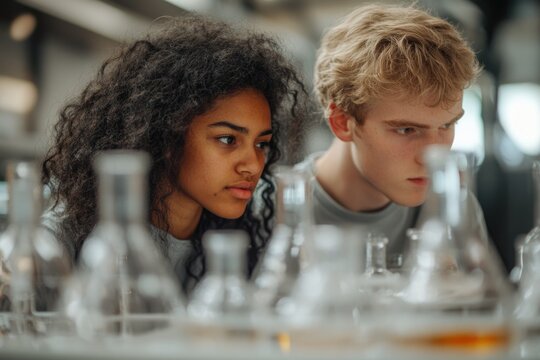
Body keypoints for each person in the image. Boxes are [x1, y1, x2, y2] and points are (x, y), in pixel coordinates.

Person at [41, 16, 306, 293]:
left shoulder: (257, 236)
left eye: (261, 144)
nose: (253, 165)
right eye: (228, 139)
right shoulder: (61, 241)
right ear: (166, 136)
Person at [295, 3, 487, 261]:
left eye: (446, 125)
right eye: (407, 129)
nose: (434, 157)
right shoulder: (267, 212)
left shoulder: (454, 209)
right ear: (342, 121)